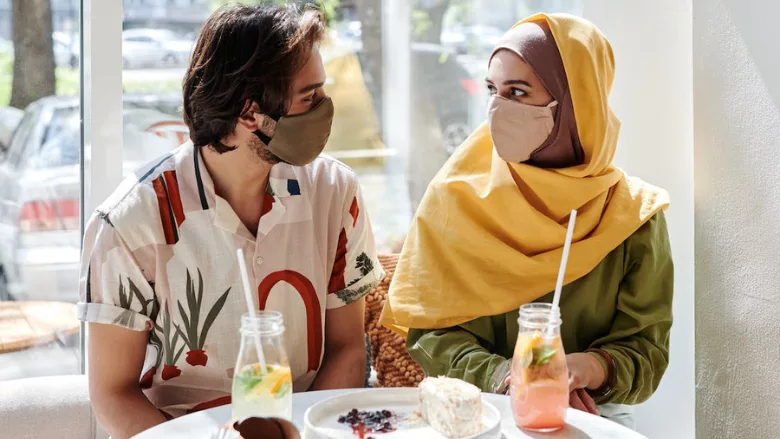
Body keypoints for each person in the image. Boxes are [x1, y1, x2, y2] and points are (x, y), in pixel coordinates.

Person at [79, 4, 384, 437]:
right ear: (248, 114)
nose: (326, 109)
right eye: (309, 97)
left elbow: (348, 348)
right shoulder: (129, 223)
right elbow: (112, 393)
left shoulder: (336, 193)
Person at [381, 13, 672, 428]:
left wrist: (583, 369)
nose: (499, 108)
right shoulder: (456, 197)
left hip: (595, 415)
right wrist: (509, 379)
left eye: (518, 91)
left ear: (577, 100)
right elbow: (431, 335)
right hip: (476, 411)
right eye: (492, 90)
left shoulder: (632, 215)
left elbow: (647, 350)